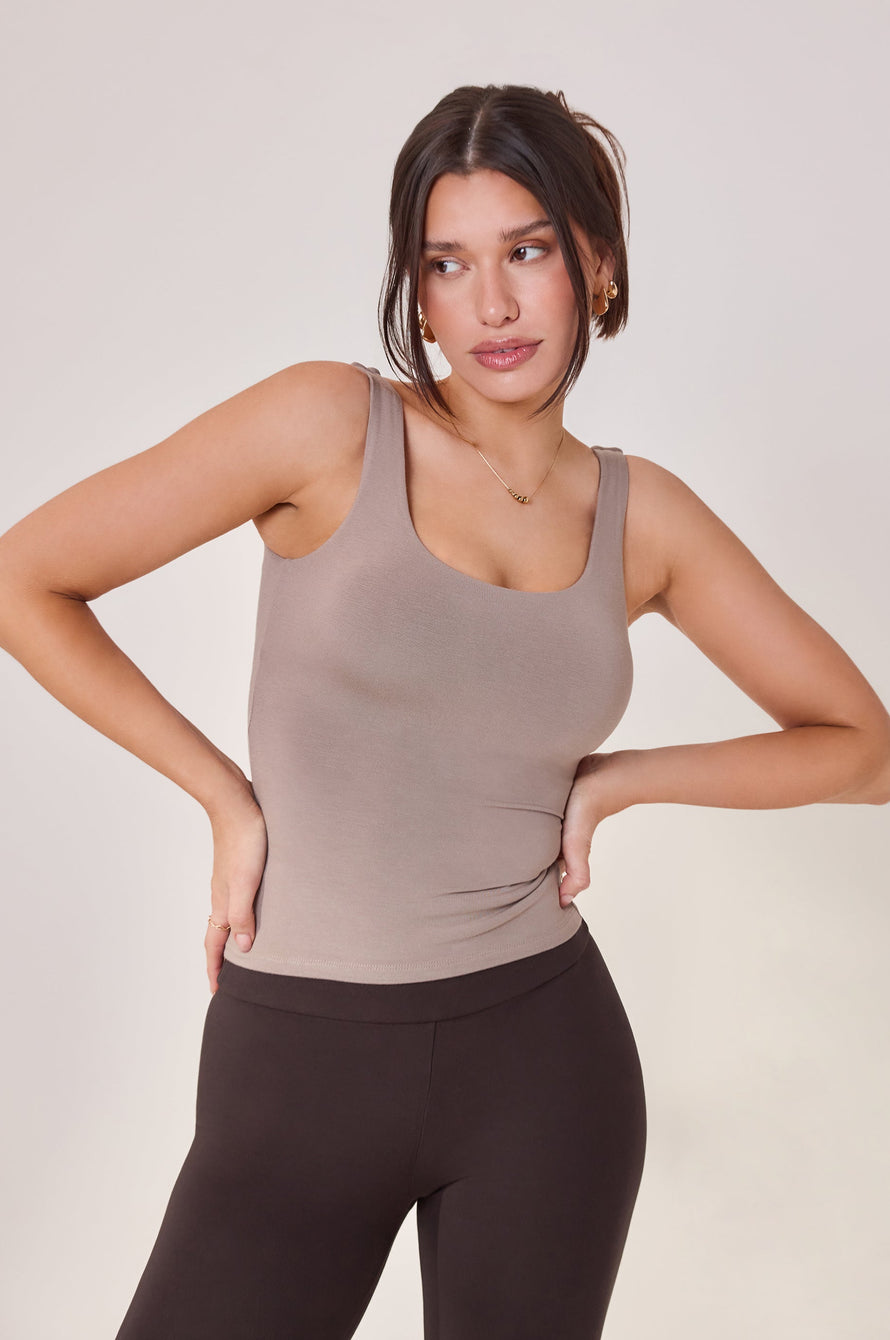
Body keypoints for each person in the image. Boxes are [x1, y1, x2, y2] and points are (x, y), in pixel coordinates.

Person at [1, 81, 888, 1340]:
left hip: (544, 1067)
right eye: (446, 263)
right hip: (298, 1060)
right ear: (414, 291)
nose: (491, 305)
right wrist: (222, 797)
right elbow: (25, 578)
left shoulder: (644, 518)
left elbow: (863, 748)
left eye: (526, 251)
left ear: (596, 262)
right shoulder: (326, 426)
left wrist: (620, 776)